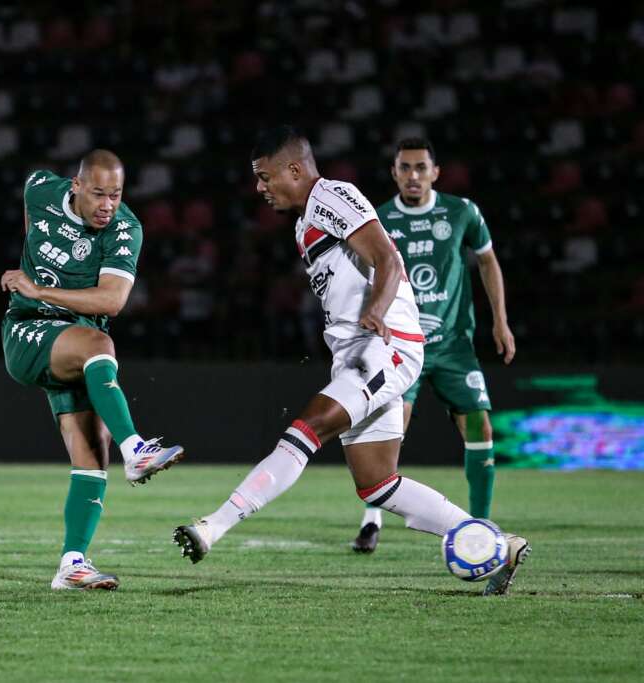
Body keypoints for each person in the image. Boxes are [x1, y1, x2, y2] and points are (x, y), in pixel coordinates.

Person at [172, 126, 529, 596]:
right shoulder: (305, 221)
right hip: (360, 353)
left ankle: (212, 527)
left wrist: (376, 312)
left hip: (385, 346)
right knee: (377, 484)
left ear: (295, 170)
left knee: (308, 428)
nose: (260, 188)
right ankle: (496, 546)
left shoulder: (331, 196)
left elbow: (387, 259)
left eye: (265, 177)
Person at [0, 150, 184, 590]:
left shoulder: (126, 228)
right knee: (101, 345)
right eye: (98, 193)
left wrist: (40, 287)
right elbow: (34, 223)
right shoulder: (40, 189)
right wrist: (33, 293)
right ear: (76, 186)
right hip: (28, 330)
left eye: (116, 195)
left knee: (92, 454)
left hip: (77, 338)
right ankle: (137, 449)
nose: (107, 205)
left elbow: (113, 301)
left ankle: (72, 564)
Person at [351, 138, 515, 553]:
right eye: (404, 168)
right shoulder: (380, 219)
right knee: (389, 432)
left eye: (421, 167)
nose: (413, 175)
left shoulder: (462, 212)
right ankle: (371, 523)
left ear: (435, 172)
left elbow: (488, 260)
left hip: (454, 345)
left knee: (479, 425)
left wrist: (500, 320)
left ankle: (481, 525)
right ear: (394, 173)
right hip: (402, 344)